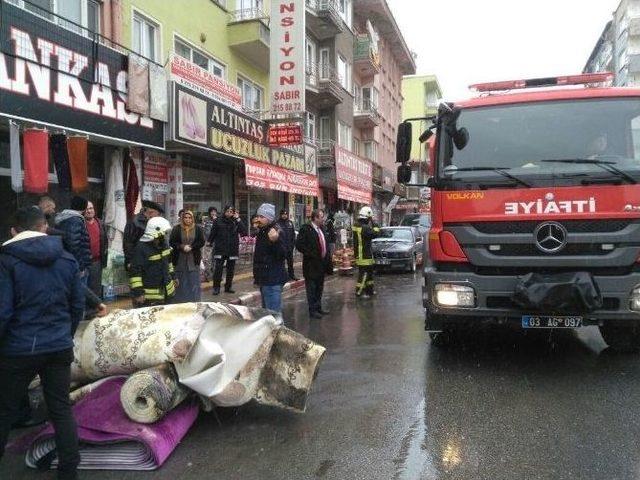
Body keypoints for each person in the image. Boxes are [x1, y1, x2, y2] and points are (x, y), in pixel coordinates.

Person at [0, 206, 84, 480]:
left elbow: (3, 311)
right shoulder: (67, 258)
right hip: (58, 346)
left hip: (18, 349)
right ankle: (68, 472)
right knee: (60, 408)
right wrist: (64, 334)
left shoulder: (7, 261)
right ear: (44, 227)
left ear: (14, 231)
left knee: (5, 410)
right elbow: (77, 306)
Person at [129, 216, 176, 307]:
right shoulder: (141, 248)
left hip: (168, 294)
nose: (165, 235)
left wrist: (174, 276)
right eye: (163, 233)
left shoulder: (165, 244)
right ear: (155, 232)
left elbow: (169, 263)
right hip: (150, 298)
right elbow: (135, 273)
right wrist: (138, 293)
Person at [296, 210, 331, 319]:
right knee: (311, 289)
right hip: (311, 265)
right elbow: (299, 245)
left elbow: (325, 244)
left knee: (319, 288)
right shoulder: (306, 229)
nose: (323, 219)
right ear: (315, 218)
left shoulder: (322, 229)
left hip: (321, 264)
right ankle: (312, 310)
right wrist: (310, 253)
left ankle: (318, 307)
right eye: (321, 217)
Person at [253, 203, 288, 313]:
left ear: (269, 218)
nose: (258, 219)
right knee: (267, 314)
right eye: (258, 216)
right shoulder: (262, 231)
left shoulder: (275, 231)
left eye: (262, 217)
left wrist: (275, 241)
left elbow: (283, 254)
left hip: (273, 280)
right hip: (264, 279)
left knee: (273, 315)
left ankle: (277, 330)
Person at [208, 205, 247, 295]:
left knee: (230, 270)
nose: (229, 213)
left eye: (231, 211)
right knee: (218, 269)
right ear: (224, 211)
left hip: (232, 249)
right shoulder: (218, 220)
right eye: (228, 211)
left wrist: (238, 219)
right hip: (220, 248)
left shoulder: (236, 221)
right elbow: (213, 232)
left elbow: (244, 232)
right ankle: (216, 288)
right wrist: (209, 242)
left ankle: (228, 287)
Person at [55, 195, 92, 284]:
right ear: (83, 208)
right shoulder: (75, 220)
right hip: (76, 266)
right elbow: (74, 245)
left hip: (66, 263)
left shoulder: (64, 218)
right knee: (79, 294)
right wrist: (81, 267)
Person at [170, 210, 205, 302]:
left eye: (190, 218)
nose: (187, 219)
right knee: (180, 281)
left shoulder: (198, 228)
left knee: (193, 281)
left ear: (192, 218)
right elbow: (172, 242)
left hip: (193, 260)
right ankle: (180, 301)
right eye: (185, 217)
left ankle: (194, 301)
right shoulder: (177, 229)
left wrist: (192, 247)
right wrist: (181, 246)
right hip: (180, 259)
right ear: (182, 218)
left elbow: (201, 241)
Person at [123, 200, 164, 270]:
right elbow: (128, 243)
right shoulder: (135, 222)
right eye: (158, 214)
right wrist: (129, 260)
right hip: (137, 260)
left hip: (152, 262)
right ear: (151, 211)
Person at [353, 206, 381, 299]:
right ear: (367, 218)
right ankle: (359, 292)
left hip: (362, 254)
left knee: (369, 274)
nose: (370, 220)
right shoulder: (364, 228)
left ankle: (369, 290)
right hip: (364, 254)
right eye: (369, 218)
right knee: (364, 274)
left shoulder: (357, 225)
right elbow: (376, 233)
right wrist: (375, 224)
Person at [84, 200, 108, 297]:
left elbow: (105, 241)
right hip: (83, 262)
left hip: (97, 262)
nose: (89, 211)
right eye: (86, 209)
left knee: (95, 288)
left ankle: (95, 310)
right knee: (83, 288)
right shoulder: (80, 223)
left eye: (91, 208)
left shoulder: (100, 223)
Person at [277, 209, 298, 281]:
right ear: (280, 215)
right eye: (283, 214)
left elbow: (293, 235)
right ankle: (282, 276)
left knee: (290, 263)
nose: (284, 215)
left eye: (286, 214)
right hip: (281, 247)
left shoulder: (290, 223)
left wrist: (293, 245)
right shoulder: (277, 224)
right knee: (281, 263)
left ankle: (291, 275)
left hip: (289, 247)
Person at [202, 207, 218, 282]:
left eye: (215, 212)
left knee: (216, 259)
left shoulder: (218, 220)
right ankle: (207, 275)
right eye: (212, 211)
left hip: (217, 242)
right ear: (209, 212)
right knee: (207, 259)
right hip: (208, 242)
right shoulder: (206, 220)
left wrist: (216, 221)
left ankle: (216, 275)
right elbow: (204, 230)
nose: (213, 213)